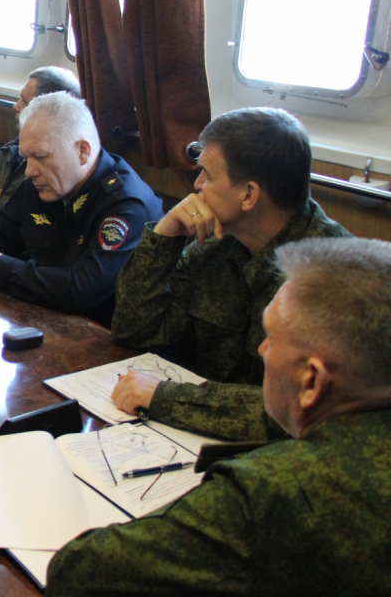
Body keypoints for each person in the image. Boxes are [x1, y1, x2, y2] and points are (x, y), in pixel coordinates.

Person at [48, 237, 391, 596]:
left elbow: (80, 571)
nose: (261, 350)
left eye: (271, 338)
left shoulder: (270, 492)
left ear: (312, 381)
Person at [110, 108, 351, 441]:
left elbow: (295, 412)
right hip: (197, 434)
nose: (196, 185)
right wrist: (164, 237)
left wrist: (163, 396)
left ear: (248, 195)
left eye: (207, 175)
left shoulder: (332, 277)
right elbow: (134, 330)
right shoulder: (217, 244)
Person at [0, 92, 161, 325]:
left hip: (98, 337)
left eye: (40, 156)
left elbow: (80, 291)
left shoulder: (125, 204)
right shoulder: (41, 183)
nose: (29, 171)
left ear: (83, 151)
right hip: (40, 315)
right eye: (26, 158)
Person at [0, 65, 82, 246]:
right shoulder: (7, 151)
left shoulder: (48, 175)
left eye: (24, 101)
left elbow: (24, 238)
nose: (15, 106)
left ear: (48, 111)